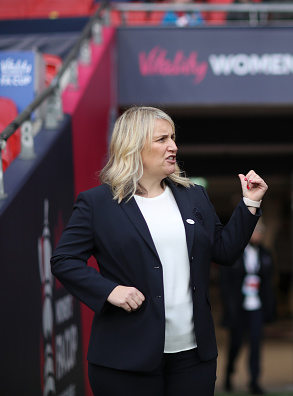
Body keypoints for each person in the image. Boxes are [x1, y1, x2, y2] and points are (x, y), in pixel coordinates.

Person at [51, 106, 268, 396]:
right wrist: (109, 290)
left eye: (174, 138)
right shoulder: (97, 204)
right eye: (162, 139)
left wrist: (249, 204)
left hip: (193, 357)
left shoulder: (194, 195)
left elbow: (225, 252)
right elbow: (64, 260)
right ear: (134, 146)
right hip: (124, 359)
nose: (173, 146)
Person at [219, 220, 276, 395]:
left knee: (255, 344)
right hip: (239, 307)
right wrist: (229, 306)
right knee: (235, 344)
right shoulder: (235, 254)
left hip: (256, 306)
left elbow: (269, 282)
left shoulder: (265, 254)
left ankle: (254, 381)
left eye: (260, 232)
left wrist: (270, 307)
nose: (257, 235)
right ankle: (229, 374)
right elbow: (225, 283)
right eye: (255, 231)